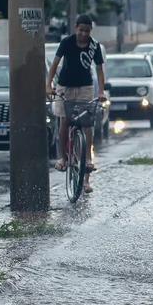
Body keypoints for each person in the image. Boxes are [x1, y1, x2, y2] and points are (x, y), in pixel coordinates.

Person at [46, 14, 106, 192]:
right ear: (75, 28)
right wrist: (48, 86)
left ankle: (87, 167)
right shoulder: (67, 42)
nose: (83, 34)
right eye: (81, 31)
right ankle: (63, 158)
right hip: (65, 86)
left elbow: (100, 69)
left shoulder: (95, 46)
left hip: (85, 87)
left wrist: (100, 91)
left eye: (87, 31)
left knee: (86, 123)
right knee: (65, 121)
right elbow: (55, 65)